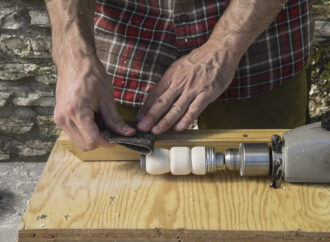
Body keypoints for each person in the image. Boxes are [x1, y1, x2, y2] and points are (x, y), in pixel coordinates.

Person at [45, 0, 312, 151]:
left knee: (271, 176)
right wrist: (72, 53)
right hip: (125, 33)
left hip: (260, 30)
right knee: (113, 193)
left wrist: (225, 46)